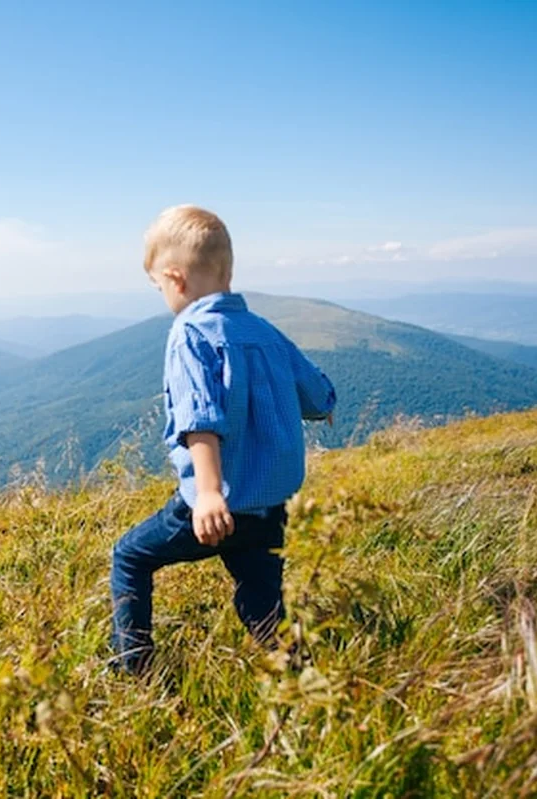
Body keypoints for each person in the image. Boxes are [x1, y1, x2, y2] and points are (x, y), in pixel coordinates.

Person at [109, 205, 337, 674]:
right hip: (271, 506)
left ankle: (134, 669)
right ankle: (302, 681)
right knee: (261, 602)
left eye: (158, 288)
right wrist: (323, 406)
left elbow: (201, 420)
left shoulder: (189, 332)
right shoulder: (266, 333)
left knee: (129, 556)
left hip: (216, 504)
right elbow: (317, 394)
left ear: (175, 279)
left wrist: (209, 494)